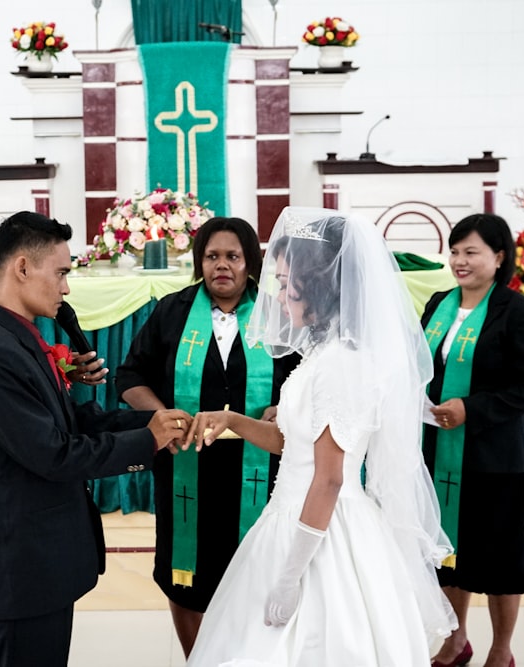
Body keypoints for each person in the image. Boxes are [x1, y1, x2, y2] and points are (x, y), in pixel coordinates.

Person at [184, 207, 457, 666]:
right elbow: (294, 446)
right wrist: (233, 421)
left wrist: (291, 576)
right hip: (291, 514)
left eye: (288, 281)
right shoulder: (323, 354)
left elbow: (328, 478)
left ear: (319, 285)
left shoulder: (339, 366)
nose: (280, 293)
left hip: (322, 531)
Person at [0, 210, 190, 667]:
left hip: (39, 566)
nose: (66, 288)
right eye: (61, 272)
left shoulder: (18, 339)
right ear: (22, 268)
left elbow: (72, 424)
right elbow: (55, 454)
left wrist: (152, 424)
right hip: (19, 571)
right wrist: (148, 442)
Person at [115, 216, 300, 657]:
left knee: (255, 572)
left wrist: (283, 406)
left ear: (250, 262)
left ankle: (249, 660)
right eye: (212, 256)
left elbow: (303, 379)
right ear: (199, 262)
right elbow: (129, 375)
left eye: (233, 256)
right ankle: (196, 659)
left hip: (258, 469)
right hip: (185, 465)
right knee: (186, 576)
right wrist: (161, 416)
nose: (222, 266)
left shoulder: (278, 315)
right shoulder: (172, 311)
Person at [422, 213, 524, 667]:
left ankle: (501, 649)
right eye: (455, 252)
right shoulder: (437, 304)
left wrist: (469, 409)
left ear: (498, 258)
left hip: (495, 458)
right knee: (447, 554)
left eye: (471, 252)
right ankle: (456, 640)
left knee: (499, 559)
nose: (459, 261)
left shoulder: (522, 314)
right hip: (438, 454)